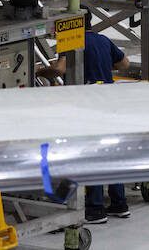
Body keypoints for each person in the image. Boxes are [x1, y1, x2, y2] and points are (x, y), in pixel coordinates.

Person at [39, 12, 133, 224]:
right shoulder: (102, 39)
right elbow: (125, 64)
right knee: (110, 154)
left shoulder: (72, 40)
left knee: (93, 155)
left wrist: (40, 72)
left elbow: (59, 69)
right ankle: (119, 204)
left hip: (89, 104)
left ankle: (95, 209)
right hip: (109, 102)